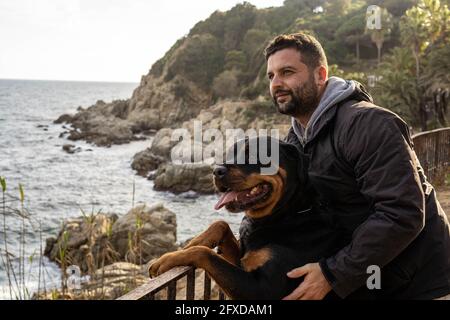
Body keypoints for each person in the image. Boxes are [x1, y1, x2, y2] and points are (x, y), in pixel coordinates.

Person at [264, 33, 450, 300]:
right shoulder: (295, 141)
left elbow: (402, 212)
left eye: (287, 72)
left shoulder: (368, 123)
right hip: (368, 282)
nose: (277, 83)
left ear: (320, 74)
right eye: (271, 76)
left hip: (420, 284)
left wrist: (332, 274)